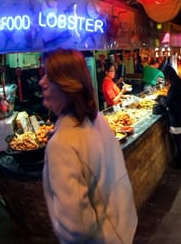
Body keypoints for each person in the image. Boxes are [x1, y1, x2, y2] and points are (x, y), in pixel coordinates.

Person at [39, 48, 137, 243]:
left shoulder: (62, 145)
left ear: (67, 85)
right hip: (122, 228)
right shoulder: (97, 119)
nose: (42, 82)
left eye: (49, 76)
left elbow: (76, 226)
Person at [162, 64, 181, 169]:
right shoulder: (178, 82)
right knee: (180, 137)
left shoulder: (175, 85)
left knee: (177, 139)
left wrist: (160, 99)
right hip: (180, 115)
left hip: (176, 117)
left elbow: (168, 102)